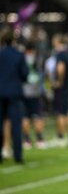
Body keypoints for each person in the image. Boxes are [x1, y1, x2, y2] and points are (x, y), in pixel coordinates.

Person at [0, 27, 28, 163]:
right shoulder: (18, 55)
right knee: (16, 124)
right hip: (14, 93)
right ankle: (18, 156)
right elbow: (25, 74)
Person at [50, 34, 68, 148]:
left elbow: (61, 68)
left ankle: (60, 138)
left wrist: (59, 82)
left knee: (61, 112)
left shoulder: (60, 53)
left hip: (63, 87)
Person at [21, 42, 46, 150]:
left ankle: (26, 140)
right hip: (35, 92)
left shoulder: (21, 59)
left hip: (23, 92)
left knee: (25, 117)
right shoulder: (38, 59)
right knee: (37, 116)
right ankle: (39, 139)